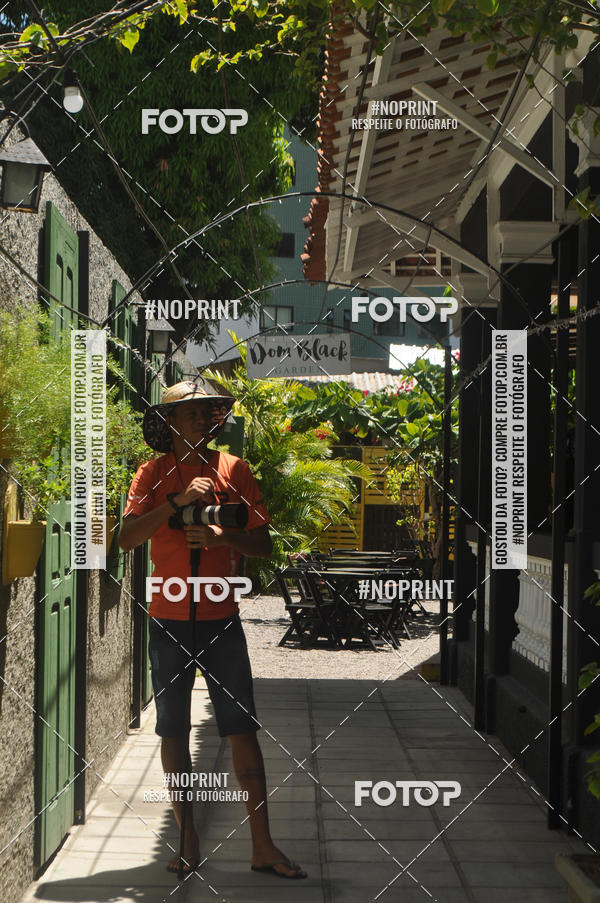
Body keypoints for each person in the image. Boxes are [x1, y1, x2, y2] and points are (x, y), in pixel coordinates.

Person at [118, 378, 306, 879]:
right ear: (171, 421)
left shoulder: (235, 470)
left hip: (221, 619)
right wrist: (176, 504)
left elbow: (264, 546)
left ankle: (262, 846)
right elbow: (125, 539)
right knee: (174, 729)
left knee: (242, 728)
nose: (204, 420)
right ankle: (186, 842)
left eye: (211, 412)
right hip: (169, 620)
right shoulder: (153, 473)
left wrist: (223, 534)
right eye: (194, 412)